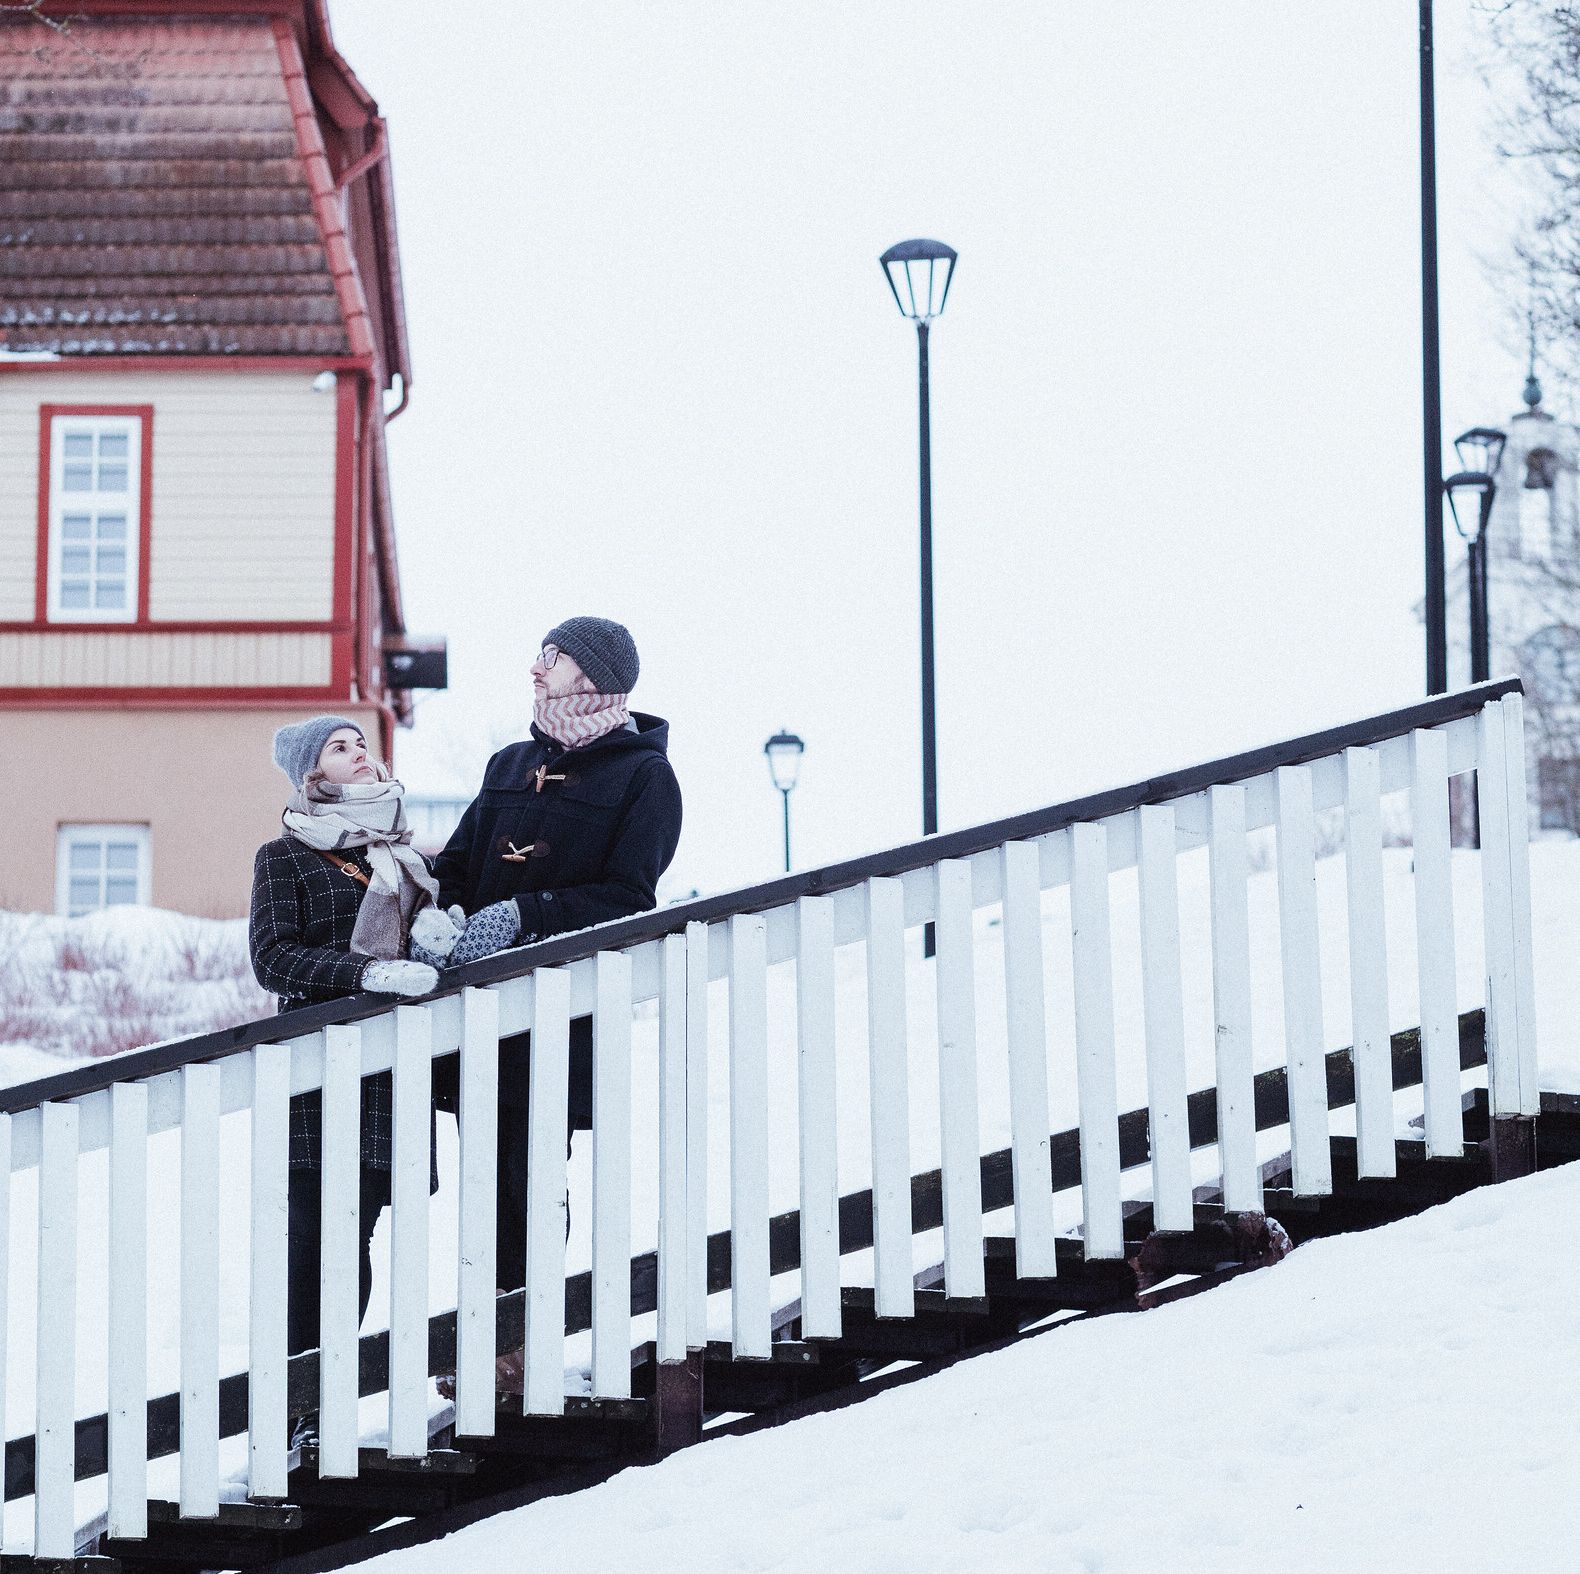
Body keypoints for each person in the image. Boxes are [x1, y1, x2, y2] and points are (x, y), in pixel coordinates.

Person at [426, 617, 682, 1377]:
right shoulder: (509, 762)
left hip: (558, 1013)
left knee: (534, 1179)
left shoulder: (643, 776)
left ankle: (520, 1342)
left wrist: (526, 916)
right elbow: (463, 865)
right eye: (542, 651)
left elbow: (630, 896)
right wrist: (441, 910)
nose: (539, 667)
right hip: (478, 1014)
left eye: (557, 656)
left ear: (597, 673)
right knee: (482, 1182)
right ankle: (486, 1337)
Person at [249, 715, 459, 1446]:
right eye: (340, 748)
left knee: (355, 1239)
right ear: (313, 776)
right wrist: (365, 974)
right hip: (319, 1073)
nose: (360, 752)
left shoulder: (406, 857)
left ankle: (320, 1401)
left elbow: (429, 961)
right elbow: (273, 958)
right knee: (314, 1242)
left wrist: (440, 933)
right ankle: (295, 1413)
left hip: (392, 1075)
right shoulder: (285, 856)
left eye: (361, 743)